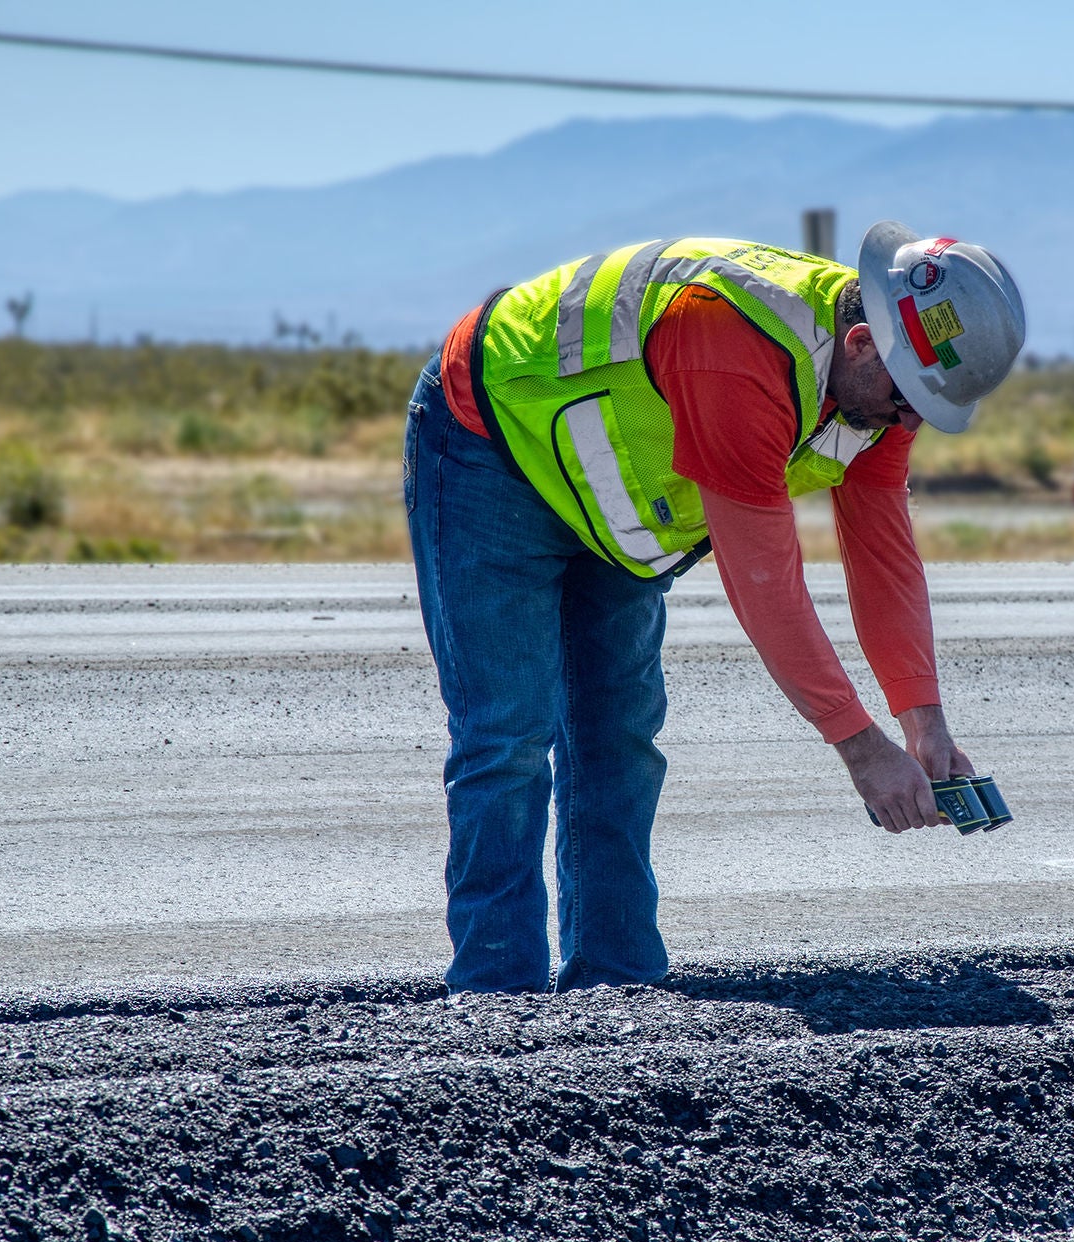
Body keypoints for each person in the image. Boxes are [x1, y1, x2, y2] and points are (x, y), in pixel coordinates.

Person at [404, 222, 1026, 994]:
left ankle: (618, 986)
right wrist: (865, 752)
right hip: (488, 445)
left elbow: (883, 558)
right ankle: (496, 999)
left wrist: (925, 726)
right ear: (863, 341)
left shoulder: (878, 393)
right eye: (909, 403)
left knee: (618, 739)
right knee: (509, 736)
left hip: (609, 510)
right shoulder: (734, 340)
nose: (910, 425)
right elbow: (766, 584)